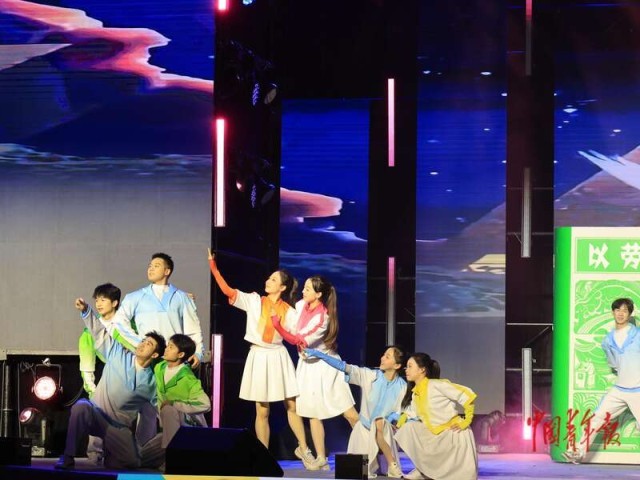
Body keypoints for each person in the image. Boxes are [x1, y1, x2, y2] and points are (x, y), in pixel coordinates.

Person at [207, 249, 314, 467]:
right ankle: (263, 455)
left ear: (282, 287)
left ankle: (304, 449)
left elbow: (295, 338)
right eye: (269, 278)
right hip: (258, 355)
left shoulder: (290, 312)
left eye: (273, 279)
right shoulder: (254, 301)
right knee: (262, 410)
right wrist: (213, 267)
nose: (268, 281)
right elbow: (228, 291)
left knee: (291, 405)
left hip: (278, 355)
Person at [55, 297, 166, 470]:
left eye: (149, 344)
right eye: (143, 341)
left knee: (131, 462)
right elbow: (100, 333)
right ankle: (68, 456)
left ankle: (116, 456)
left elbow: (161, 406)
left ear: (155, 355)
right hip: (96, 414)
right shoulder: (119, 353)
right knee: (81, 407)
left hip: (117, 428)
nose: (143, 344)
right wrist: (86, 311)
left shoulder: (152, 380)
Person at [271, 275, 358, 471]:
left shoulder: (323, 318)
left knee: (350, 414)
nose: (303, 291)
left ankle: (371, 450)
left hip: (327, 366)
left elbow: (299, 341)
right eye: (304, 287)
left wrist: (277, 325)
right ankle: (320, 457)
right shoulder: (301, 305)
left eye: (308, 289)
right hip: (307, 367)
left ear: (318, 294)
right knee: (312, 412)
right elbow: (291, 322)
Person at [304, 345, 407, 478]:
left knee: (380, 422)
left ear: (397, 365)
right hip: (364, 430)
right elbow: (344, 366)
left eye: (387, 357)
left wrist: (390, 420)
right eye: (383, 355)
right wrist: (321, 355)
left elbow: (400, 412)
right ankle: (383, 461)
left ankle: (391, 464)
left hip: (385, 430)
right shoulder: (371, 376)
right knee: (357, 472)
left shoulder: (402, 386)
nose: (382, 358)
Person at [563, 297, 640, 464]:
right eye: (618, 310)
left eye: (625, 310)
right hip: (620, 389)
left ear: (629, 314)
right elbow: (614, 364)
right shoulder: (607, 340)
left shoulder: (638, 335)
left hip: (638, 390)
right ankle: (577, 453)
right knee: (596, 419)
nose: (621, 313)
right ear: (613, 312)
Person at [76, 283, 136, 465]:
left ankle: (143, 451)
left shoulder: (129, 324)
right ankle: (95, 454)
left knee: (146, 412)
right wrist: (91, 386)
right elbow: (87, 360)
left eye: (103, 299)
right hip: (111, 373)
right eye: (97, 300)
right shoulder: (90, 331)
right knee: (98, 408)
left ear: (115, 302)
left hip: (134, 372)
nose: (99, 304)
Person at [394, 353, 478, 480]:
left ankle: (426, 472)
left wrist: (467, 421)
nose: (406, 370)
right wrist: (402, 419)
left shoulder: (436, 385)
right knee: (408, 428)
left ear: (422, 370)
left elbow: (467, 394)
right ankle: (423, 470)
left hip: (453, 433)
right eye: (406, 366)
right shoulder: (416, 393)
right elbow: (415, 412)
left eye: (410, 366)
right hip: (436, 434)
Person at [111, 252, 204, 367]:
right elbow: (119, 321)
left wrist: (198, 352)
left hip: (174, 360)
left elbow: (193, 329)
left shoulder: (182, 297)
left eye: (156, 266)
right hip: (147, 360)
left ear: (167, 271)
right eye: (150, 266)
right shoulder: (135, 297)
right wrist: (140, 342)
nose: (151, 269)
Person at [155, 333, 211, 449]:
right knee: (141, 456)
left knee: (169, 410)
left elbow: (205, 404)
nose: (166, 349)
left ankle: (173, 456)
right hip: (166, 430)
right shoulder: (159, 367)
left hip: (188, 429)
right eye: (167, 345)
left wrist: (174, 404)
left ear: (180, 354)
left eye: (171, 347)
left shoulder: (187, 377)